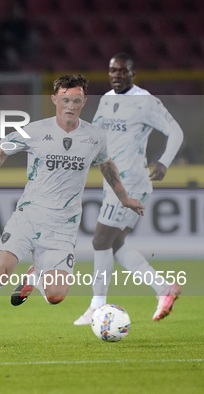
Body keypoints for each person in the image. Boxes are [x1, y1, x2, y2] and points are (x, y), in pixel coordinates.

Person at [0, 74, 145, 348]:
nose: (70, 105)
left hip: (63, 226)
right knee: (1, 269)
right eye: (65, 99)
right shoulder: (34, 130)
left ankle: (35, 275)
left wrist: (124, 197)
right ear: (55, 99)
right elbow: (0, 151)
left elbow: (106, 164)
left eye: (76, 100)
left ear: (83, 101)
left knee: (56, 295)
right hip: (28, 216)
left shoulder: (94, 136)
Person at [73, 53, 184, 325]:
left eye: (123, 71)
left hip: (131, 182)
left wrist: (164, 162)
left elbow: (176, 131)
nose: (116, 75)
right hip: (112, 181)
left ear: (133, 73)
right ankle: (163, 289)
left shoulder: (145, 101)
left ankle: (97, 307)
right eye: (113, 70)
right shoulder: (107, 100)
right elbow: (96, 134)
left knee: (100, 240)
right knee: (114, 243)